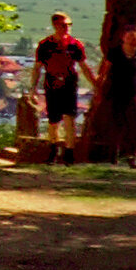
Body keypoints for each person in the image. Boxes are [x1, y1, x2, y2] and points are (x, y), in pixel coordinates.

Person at [32, 13, 90, 167]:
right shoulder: (45, 45)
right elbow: (37, 68)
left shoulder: (75, 45)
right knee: (53, 120)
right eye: (63, 25)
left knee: (69, 118)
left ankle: (69, 153)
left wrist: (95, 84)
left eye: (69, 25)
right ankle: (53, 150)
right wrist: (33, 88)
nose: (67, 28)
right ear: (55, 26)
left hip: (69, 83)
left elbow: (84, 66)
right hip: (52, 82)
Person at [99, 23, 136, 168]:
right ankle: (113, 154)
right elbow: (103, 73)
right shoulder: (114, 53)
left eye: (134, 37)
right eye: (129, 36)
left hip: (134, 93)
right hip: (116, 93)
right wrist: (99, 90)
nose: (132, 39)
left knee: (134, 126)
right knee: (116, 124)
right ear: (123, 38)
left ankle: (132, 156)